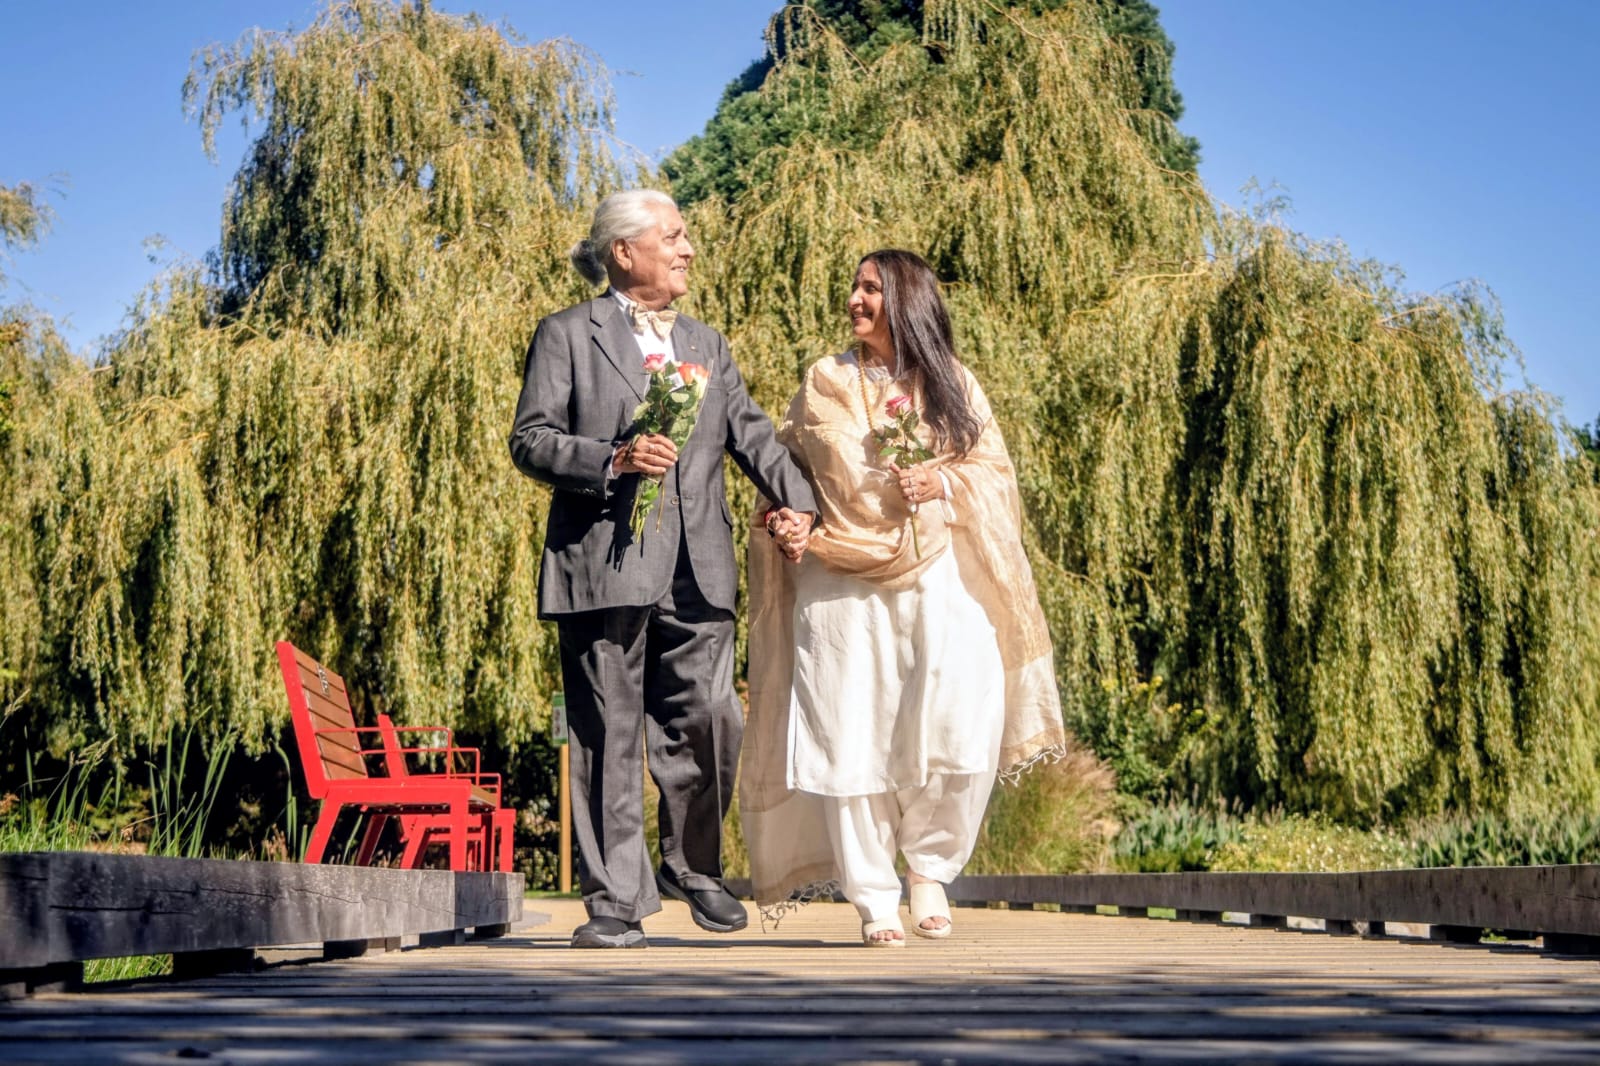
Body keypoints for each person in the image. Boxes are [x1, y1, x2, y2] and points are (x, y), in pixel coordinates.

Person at [509, 189, 817, 949]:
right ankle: (615, 900)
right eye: (673, 238)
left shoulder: (707, 345)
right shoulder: (566, 336)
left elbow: (752, 437)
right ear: (625, 252)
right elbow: (531, 439)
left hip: (699, 567)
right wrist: (610, 458)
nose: (687, 250)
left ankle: (696, 867)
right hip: (604, 564)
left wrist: (802, 504)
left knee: (712, 720)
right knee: (608, 732)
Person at [742, 248, 1067, 946]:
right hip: (836, 577)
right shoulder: (822, 380)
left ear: (907, 300)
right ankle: (873, 898)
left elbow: (997, 477)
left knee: (961, 714)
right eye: (854, 286)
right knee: (846, 727)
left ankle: (929, 871)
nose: (855, 299)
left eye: (871, 288)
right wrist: (785, 519)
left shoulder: (953, 383)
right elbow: (784, 472)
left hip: (935, 567)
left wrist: (942, 484)